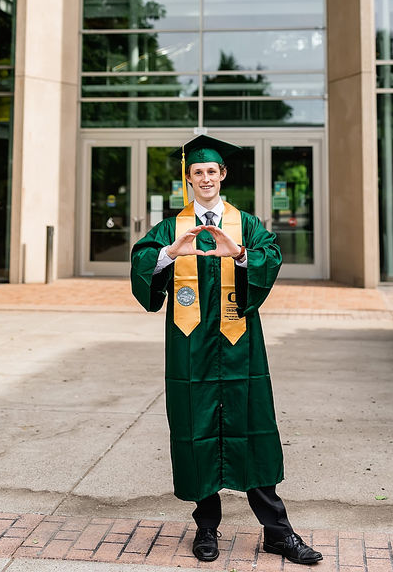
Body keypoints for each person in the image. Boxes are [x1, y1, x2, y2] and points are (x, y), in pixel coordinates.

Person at [130, 134, 322, 566]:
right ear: (189, 178)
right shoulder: (172, 227)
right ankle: (205, 530)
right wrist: (167, 253)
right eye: (196, 172)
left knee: (251, 429)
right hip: (191, 349)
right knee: (197, 433)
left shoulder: (245, 225)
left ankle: (278, 532)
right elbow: (141, 262)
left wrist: (238, 254)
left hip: (240, 349)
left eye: (211, 171)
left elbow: (270, 255)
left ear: (223, 175)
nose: (204, 178)